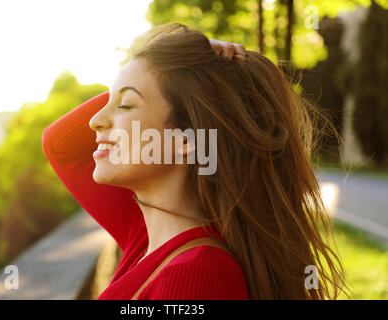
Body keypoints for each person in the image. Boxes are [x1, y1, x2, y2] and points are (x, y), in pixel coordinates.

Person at [42, 23, 347, 299]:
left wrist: (188, 75)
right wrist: (184, 68)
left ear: (186, 140)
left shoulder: (192, 274)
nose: (95, 120)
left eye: (125, 105)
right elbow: (60, 145)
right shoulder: (145, 235)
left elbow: (62, 147)